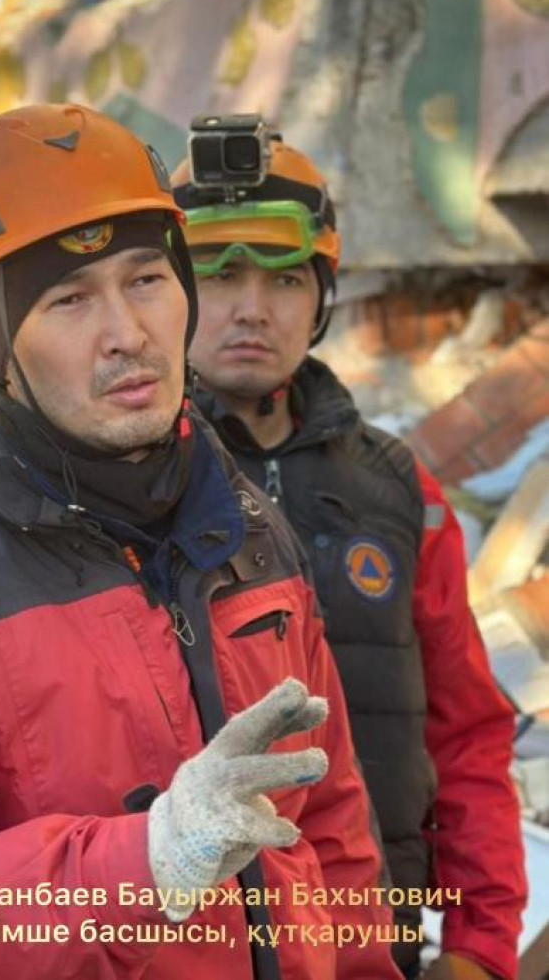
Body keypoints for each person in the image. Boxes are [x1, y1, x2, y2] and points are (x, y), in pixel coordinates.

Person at [0, 104, 403, 980]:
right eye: (70, 299)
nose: (128, 333)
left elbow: (331, 839)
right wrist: (145, 864)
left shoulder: (244, 527)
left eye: (147, 279)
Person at [172, 132, 527, 980]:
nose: (253, 308)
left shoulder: (400, 489)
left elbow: (468, 735)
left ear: (322, 297)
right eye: (220, 274)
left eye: (286, 278)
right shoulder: (124, 489)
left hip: (378, 943)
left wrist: (479, 945)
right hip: (199, 950)